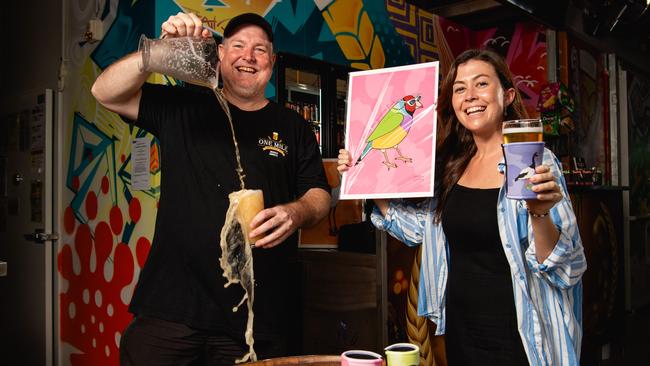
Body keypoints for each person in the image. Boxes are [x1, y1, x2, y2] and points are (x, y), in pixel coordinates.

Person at [91, 12, 331, 365]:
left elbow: (319, 194)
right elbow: (104, 93)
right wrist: (155, 54)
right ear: (219, 54)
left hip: (255, 314)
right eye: (237, 45)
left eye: (260, 49)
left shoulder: (293, 126)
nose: (248, 56)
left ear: (272, 62)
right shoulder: (183, 105)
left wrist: (296, 212)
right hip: (172, 306)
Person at [338, 49, 586, 365]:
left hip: (522, 334)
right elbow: (419, 231)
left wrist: (539, 212)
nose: (470, 96)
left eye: (481, 84)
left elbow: (568, 268)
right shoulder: (451, 166)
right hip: (460, 331)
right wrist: (366, 179)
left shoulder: (531, 160)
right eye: (459, 88)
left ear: (507, 95)